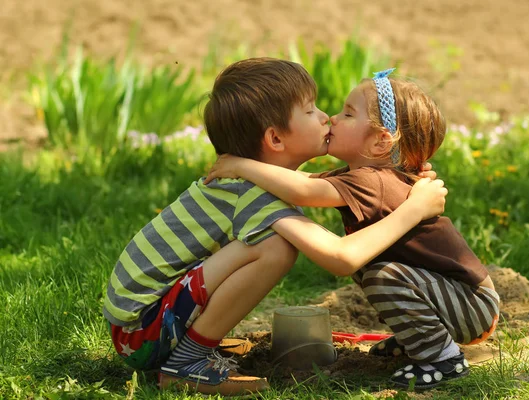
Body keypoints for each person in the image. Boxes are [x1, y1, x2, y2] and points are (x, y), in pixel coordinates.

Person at [103, 59, 448, 397]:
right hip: (140, 333)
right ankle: (187, 362)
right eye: (311, 110)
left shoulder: (253, 182)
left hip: (138, 326)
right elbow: (342, 258)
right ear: (276, 139)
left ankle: (195, 342)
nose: (326, 116)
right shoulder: (251, 195)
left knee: (269, 242)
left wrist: (404, 177)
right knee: (276, 248)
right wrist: (414, 209)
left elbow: (326, 185)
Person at [205, 68, 500, 390]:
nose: (332, 118)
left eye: (347, 114)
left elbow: (302, 193)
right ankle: (419, 340)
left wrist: (240, 165)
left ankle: (442, 358)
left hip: (470, 304)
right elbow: (303, 182)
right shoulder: (363, 176)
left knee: (382, 275)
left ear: (379, 141)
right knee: (378, 269)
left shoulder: (374, 182)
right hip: (455, 298)